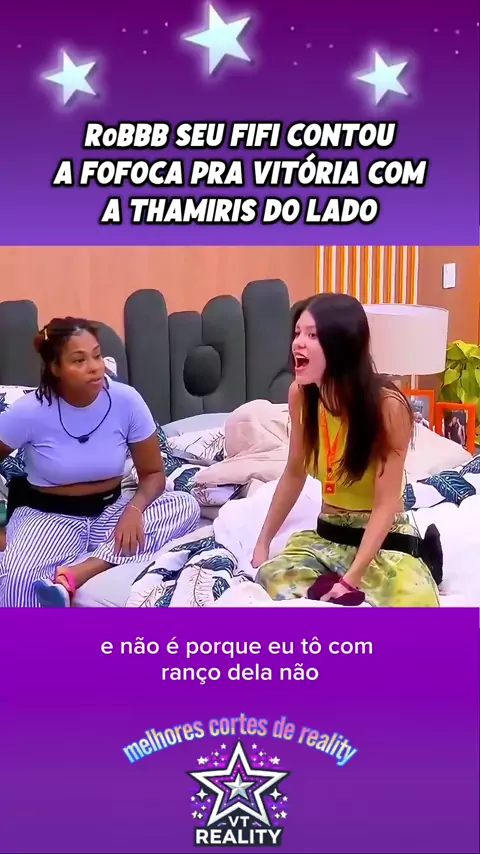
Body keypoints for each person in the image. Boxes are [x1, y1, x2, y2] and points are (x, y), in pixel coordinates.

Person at [253, 294, 440, 607]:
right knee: (271, 577)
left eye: (312, 335)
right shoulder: (301, 395)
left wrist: (351, 580)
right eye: (297, 333)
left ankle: (428, 562)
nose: (298, 343)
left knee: (417, 603)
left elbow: (385, 504)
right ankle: (334, 592)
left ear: (342, 344)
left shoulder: (388, 407)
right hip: (330, 533)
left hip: (382, 538)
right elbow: (294, 472)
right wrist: (263, 542)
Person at [0, 318, 201, 607]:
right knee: (17, 578)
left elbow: (153, 473)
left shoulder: (126, 401)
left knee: (184, 505)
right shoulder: (29, 411)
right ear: (55, 368)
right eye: (79, 360)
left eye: (96, 356)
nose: (94, 367)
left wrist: (134, 510)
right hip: (48, 516)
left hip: (111, 511)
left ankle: (80, 571)